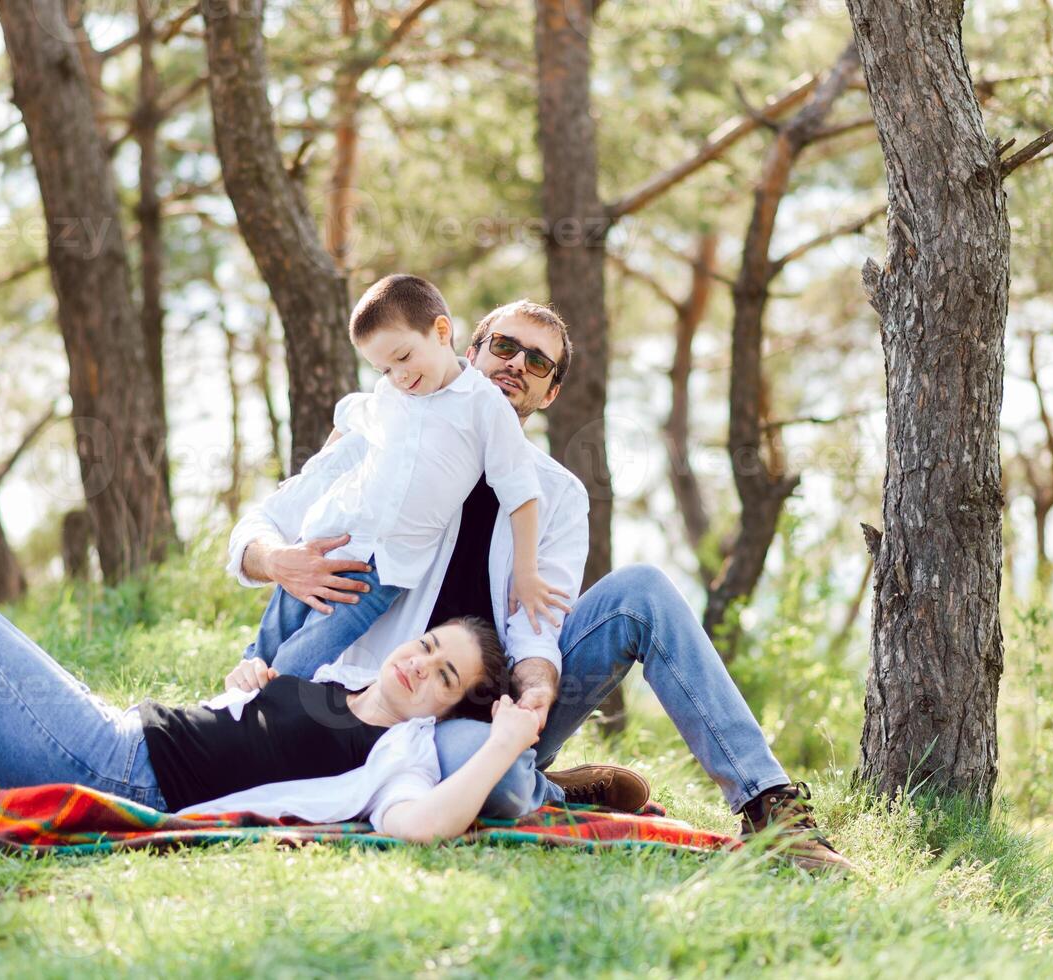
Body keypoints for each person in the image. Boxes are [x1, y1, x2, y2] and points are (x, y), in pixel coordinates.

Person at [228, 299, 853, 870]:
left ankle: (771, 808)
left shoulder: (556, 495)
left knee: (642, 590)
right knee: (496, 785)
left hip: (496, 706)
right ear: (466, 350)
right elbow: (266, 522)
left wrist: (535, 695)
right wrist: (276, 561)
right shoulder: (380, 433)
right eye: (504, 346)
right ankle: (549, 789)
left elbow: (538, 625)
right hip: (388, 698)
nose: (516, 365)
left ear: (549, 394)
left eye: (538, 362)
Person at [0, 574, 540, 845]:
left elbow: (414, 826)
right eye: (428, 645)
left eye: (443, 674)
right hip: (118, 727)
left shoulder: (402, 753)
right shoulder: (347, 677)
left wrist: (502, 746)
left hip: (115, 766)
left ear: (447, 706)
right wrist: (248, 687)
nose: (420, 664)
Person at [242, 274, 566, 681]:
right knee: (264, 645)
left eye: (404, 357)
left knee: (305, 655)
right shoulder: (391, 392)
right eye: (385, 367)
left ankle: (265, 710)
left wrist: (526, 572)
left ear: (441, 331)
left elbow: (521, 492)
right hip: (332, 536)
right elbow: (350, 413)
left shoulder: (483, 405)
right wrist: (331, 448)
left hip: (386, 568)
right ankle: (238, 702)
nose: (398, 375)